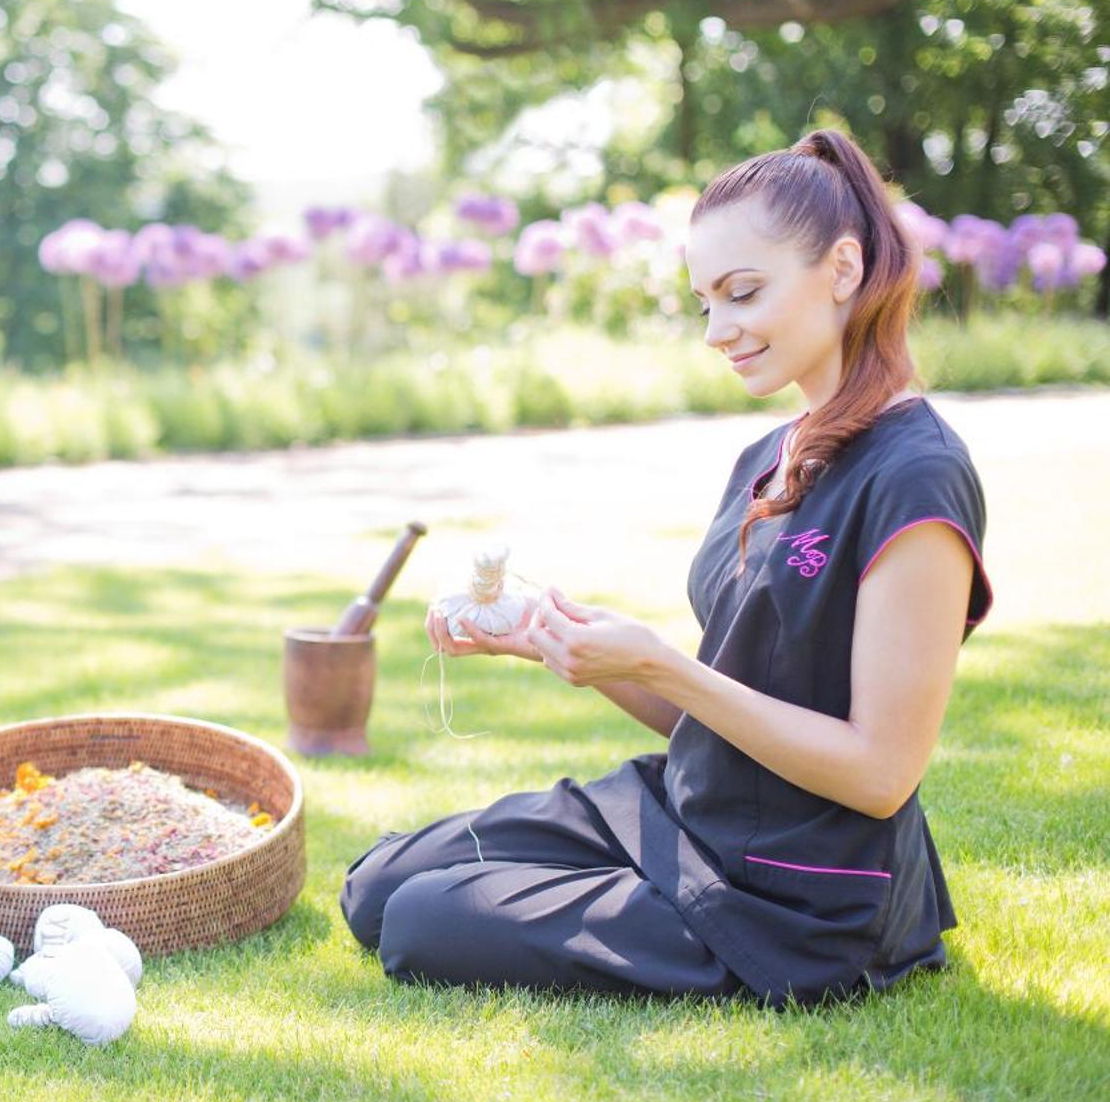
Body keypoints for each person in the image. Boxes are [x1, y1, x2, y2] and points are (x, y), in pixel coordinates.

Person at [340, 130, 993, 1006]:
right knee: (375, 884)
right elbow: (719, 698)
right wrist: (553, 644)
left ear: (843, 269)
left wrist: (662, 663)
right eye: (704, 303)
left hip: (793, 892)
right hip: (685, 808)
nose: (718, 330)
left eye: (743, 293)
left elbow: (881, 776)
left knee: (422, 919)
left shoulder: (917, 473)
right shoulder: (771, 453)